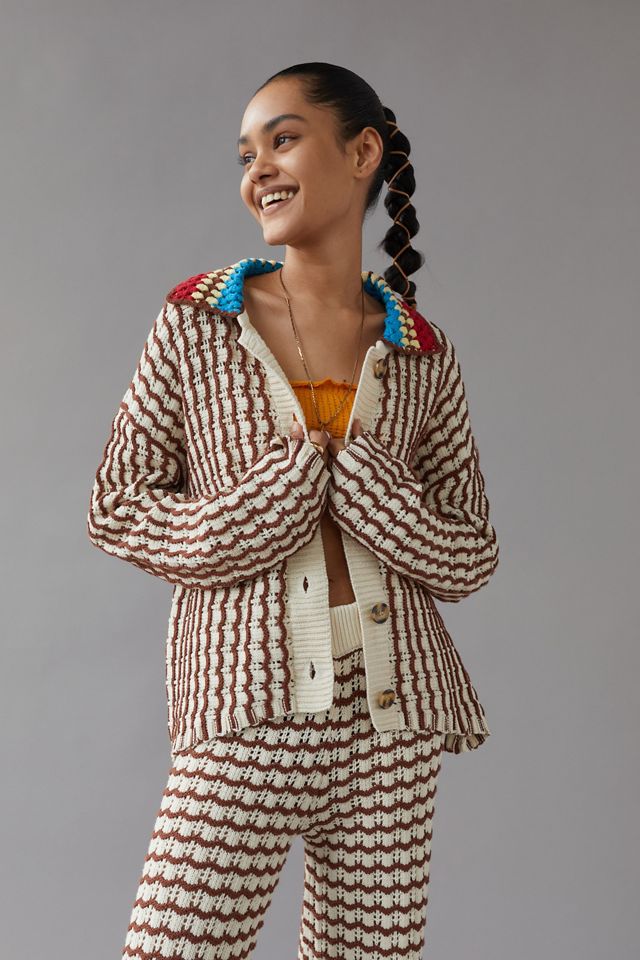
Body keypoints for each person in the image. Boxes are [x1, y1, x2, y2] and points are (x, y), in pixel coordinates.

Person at [88, 61, 500, 960]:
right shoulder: (198, 322)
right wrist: (258, 511)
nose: (259, 170)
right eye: (247, 154)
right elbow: (117, 506)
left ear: (362, 153)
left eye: (283, 139)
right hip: (247, 701)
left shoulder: (423, 353)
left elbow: (471, 553)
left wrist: (376, 498)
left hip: (394, 719)